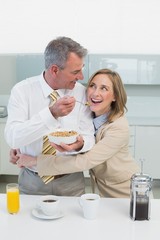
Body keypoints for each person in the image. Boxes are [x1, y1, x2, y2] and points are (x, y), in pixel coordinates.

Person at [16, 68, 140, 198]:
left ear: (115, 96)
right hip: (102, 190)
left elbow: (86, 160)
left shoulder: (119, 127)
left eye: (104, 88)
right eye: (93, 86)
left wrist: (35, 161)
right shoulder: (90, 115)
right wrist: (22, 147)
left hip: (125, 191)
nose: (95, 93)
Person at [4, 36, 95, 196]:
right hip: (32, 180)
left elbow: (89, 137)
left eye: (81, 69)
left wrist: (80, 145)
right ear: (54, 70)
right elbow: (13, 138)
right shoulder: (22, 91)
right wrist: (51, 114)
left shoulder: (81, 92)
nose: (81, 76)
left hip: (71, 180)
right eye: (75, 71)